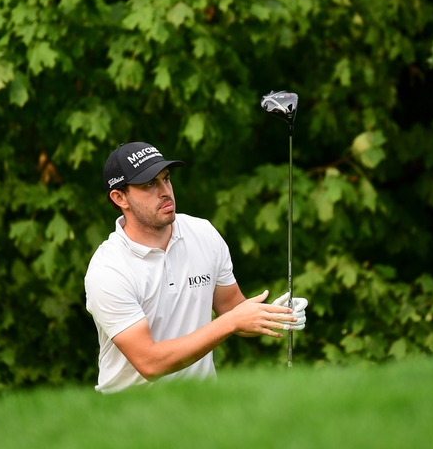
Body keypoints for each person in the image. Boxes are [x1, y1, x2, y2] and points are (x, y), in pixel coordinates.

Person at [85, 142, 308, 393]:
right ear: (119, 197)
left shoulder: (203, 233)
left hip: (200, 410)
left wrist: (272, 315)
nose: (165, 191)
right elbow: (150, 362)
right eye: (149, 184)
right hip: (129, 418)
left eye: (166, 179)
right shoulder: (108, 269)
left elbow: (231, 308)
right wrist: (231, 322)